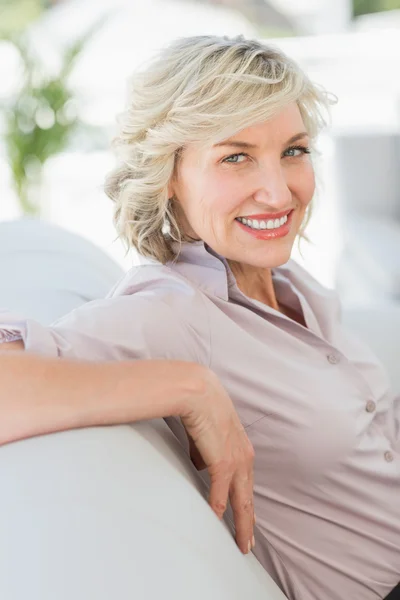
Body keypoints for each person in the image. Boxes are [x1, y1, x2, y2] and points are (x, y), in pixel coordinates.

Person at [0, 35, 399, 600]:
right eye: (236, 157)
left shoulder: (291, 282)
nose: (279, 190)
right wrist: (188, 386)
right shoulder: (169, 312)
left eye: (294, 149)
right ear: (168, 176)